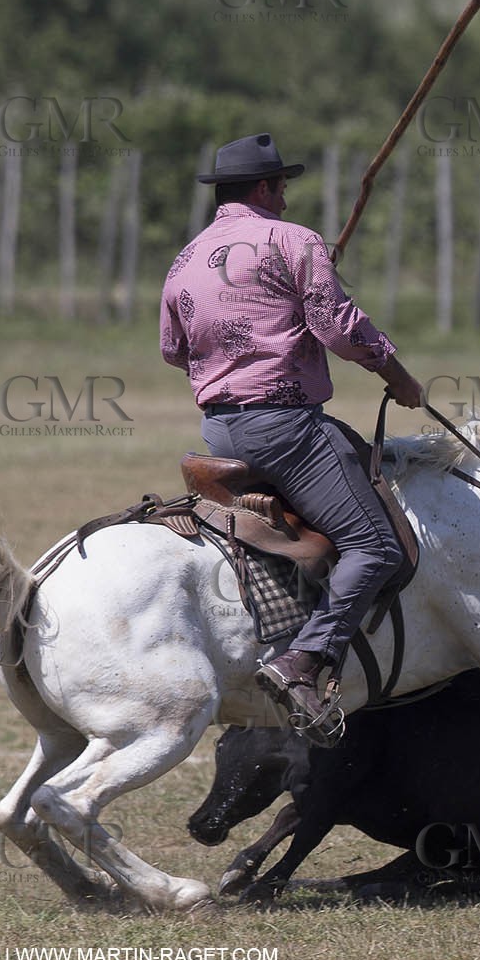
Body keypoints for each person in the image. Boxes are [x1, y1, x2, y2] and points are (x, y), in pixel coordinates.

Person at [161, 132, 424, 742]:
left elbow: (175, 351)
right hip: (285, 428)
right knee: (375, 547)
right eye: (280, 184)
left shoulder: (185, 258)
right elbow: (339, 328)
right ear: (262, 187)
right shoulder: (294, 240)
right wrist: (398, 375)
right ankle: (302, 660)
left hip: (220, 426)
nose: (285, 194)